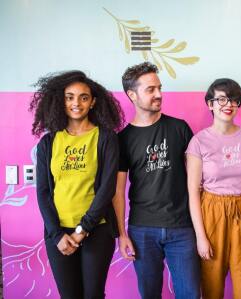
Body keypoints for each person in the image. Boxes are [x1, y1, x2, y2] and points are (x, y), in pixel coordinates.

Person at [32, 70, 124, 299]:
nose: (76, 103)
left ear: (93, 102)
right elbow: (43, 193)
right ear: (60, 101)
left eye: (84, 97)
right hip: (58, 233)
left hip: (97, 230)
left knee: (92, 295)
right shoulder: (49, 142)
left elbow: (107, 188)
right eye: (69, 96)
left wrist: (83, 230)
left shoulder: (105, 138)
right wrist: (56, 234)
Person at [114, 62, 200, 299]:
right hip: (142, 230)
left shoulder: (179, 128)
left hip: (182, 228)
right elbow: (118, 191)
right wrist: (122, 234)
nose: (159, 94)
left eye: (159, 88)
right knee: (149, 294)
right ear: (132, 95)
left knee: (190, 294)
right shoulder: (122, 139)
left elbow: (198, 180)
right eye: (150, 89)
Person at [186, 78, 241, 299]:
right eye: (221, 99)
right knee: (211, 286)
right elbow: (193, 192)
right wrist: (201, 236)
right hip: (212, 211)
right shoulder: (199, 142)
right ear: (210, 104)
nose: (228, 104)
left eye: (233, 100)